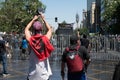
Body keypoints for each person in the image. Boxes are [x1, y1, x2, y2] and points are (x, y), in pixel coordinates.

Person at [24, 13, 54, 80]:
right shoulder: (45, 39)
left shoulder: (30, 40)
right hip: (44, 76)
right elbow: (50, 29)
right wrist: (44, 19)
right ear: (41, 29)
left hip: (32, 75)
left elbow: (26, 29)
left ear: (33, 30)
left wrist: (33, 20)